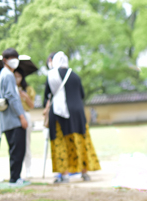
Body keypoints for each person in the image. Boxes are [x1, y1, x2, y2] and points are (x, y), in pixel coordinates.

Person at [44, 51, 100, 184]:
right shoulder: (75, 75)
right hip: (78, 113)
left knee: (61, 142)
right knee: (80, 140)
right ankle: (84, 173)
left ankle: (64, 175)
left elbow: (47, 96)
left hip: (59, 113)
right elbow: (81, 94)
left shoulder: (52, 75)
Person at [0, 48, 29, 185]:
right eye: (12, 58)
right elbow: (12, 98)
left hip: (7, 120)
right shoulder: (8, 75)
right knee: (18, 150)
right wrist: (22, 117)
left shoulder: (3, 74)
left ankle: (15, 177)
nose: (14, 61)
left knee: (14, 149)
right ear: (4, 60)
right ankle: (15, 178)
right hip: (13, 119)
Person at [14, 68, 35, 179]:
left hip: (25, 114)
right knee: (15, 145)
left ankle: (28, 168)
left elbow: (32, 105)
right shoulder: (10, 88)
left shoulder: (28, 89)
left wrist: (25, 96)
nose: (17, 78)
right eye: (15, 76)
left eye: (18, 76)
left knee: (26, 144)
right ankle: (16, 171)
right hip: (13, 117)